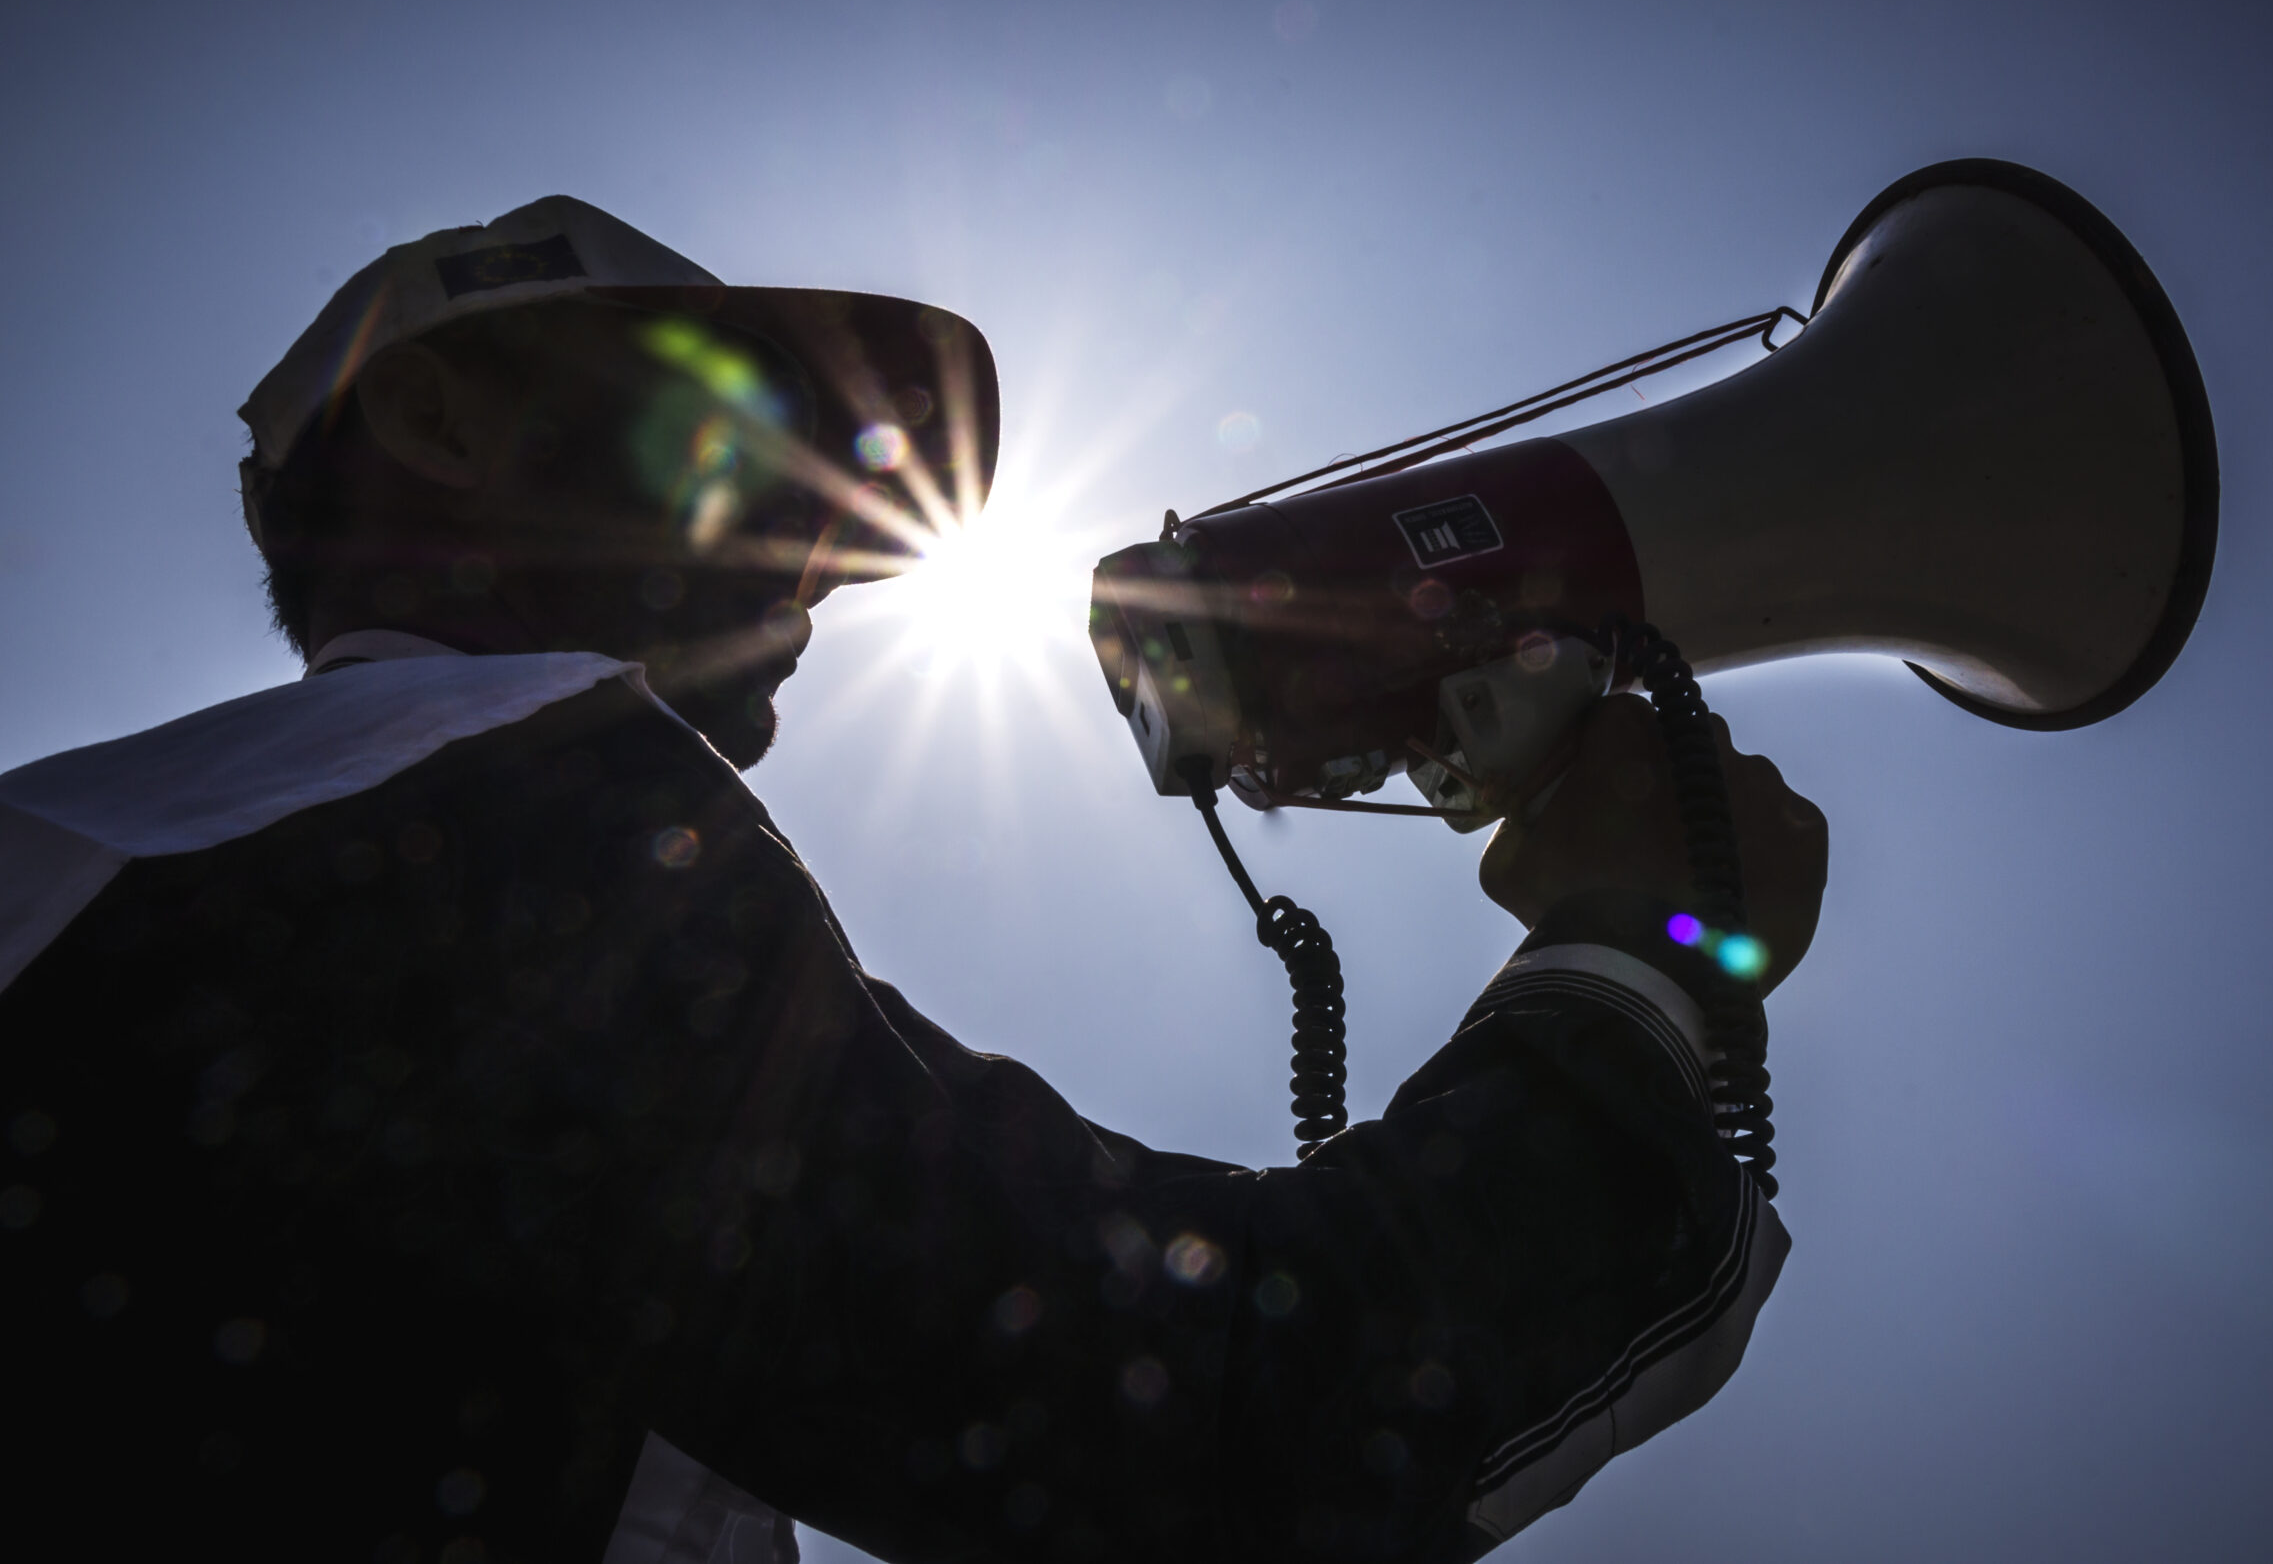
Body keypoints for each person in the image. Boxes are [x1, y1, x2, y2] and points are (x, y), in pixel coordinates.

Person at [0, 199, 1827, 1563]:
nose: (827, 560)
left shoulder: (163, 848)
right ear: (450, 427)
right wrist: (1634, 950)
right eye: (740, 436)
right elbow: (1222, 1427)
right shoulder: (487, 806)